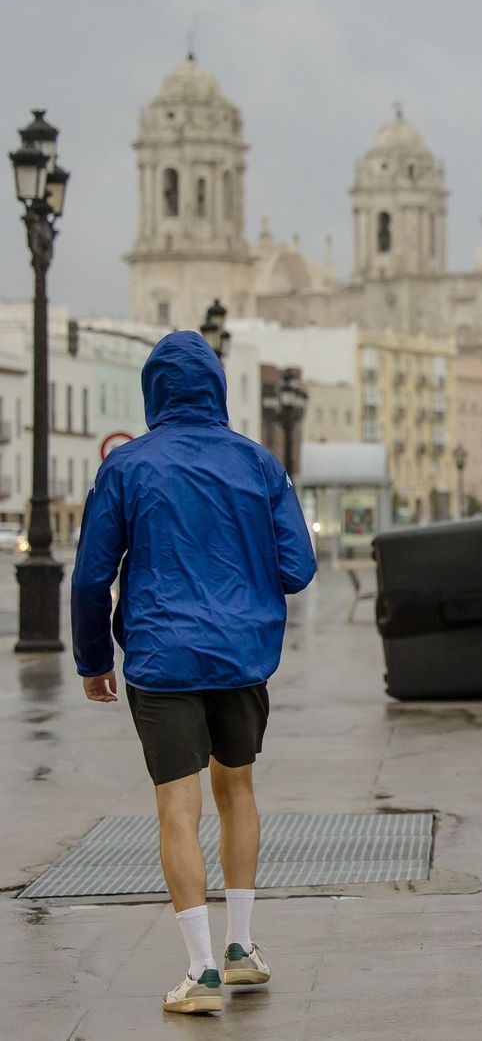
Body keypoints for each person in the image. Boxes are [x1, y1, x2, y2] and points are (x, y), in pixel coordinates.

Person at [71, 330, 316, 1014]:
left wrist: (94, 660)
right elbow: (298, 567)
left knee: (177, 807)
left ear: (153, 391)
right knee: (236, 789)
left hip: (162, 656)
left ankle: (201, 971)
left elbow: (91, 578)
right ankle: (242, 948)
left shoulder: (127, 467)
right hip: (242, 658)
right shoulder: (259, 464)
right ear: (219, 389)